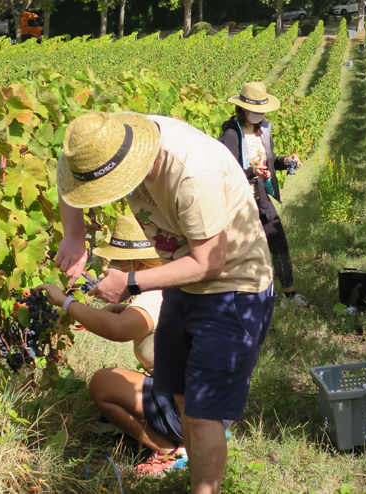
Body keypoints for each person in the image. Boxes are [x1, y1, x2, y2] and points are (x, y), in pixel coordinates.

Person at [54, 110, 276, 494]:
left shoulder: (193, 173)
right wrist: (73, 233)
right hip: (181, 281)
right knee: (181, 396)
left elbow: (209, 262)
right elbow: (66, 171)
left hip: (233, 288)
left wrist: (132, 283)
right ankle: (194, 474)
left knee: (203, 413)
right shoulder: (103, 141)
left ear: (138, 162)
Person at [35, 214, 187, 475]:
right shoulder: (162, 289)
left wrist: (65, 303)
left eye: (117, 261)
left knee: (103, 383)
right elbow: (121, 319)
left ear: (136, 263)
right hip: (195, 400)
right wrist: (111, 307)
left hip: (185, 408)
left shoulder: (152, 297)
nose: (110, 267)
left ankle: (173, 451)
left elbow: (118, 330)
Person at [218, 81, 306, 308]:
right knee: (246, 250)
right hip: (240, 200)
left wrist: (286, 161)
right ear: (243, 109)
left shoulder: (263, 130)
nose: (259, 115)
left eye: (261, 111)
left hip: (261, 197)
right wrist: (251, 172)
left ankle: (289, 294)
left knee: (278, 242)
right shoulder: (231, 133)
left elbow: (270, 160)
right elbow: (228, 168)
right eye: (255, 111)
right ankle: (253, 299)